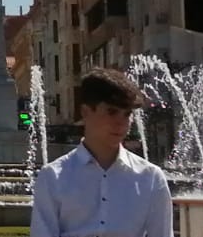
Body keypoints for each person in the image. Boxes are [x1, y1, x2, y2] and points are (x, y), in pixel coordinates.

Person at [31, 69, 171, 237]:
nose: (121, 123)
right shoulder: (53, 177)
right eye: (111, 112)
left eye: (127, 114)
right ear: (85, 112)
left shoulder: (151, 178)